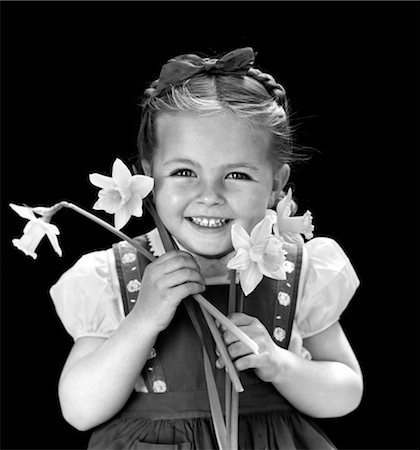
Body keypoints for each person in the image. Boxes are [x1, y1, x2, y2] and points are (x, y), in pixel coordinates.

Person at [50, 47, 363, 449]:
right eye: (184, 172)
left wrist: (279, 364)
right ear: (148, 176)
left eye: (236, 174)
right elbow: (79, 410)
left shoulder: (292, 268)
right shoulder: (114, 277)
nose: (209, 195)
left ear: (275, 183)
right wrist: (142, 319)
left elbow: (347, 391)